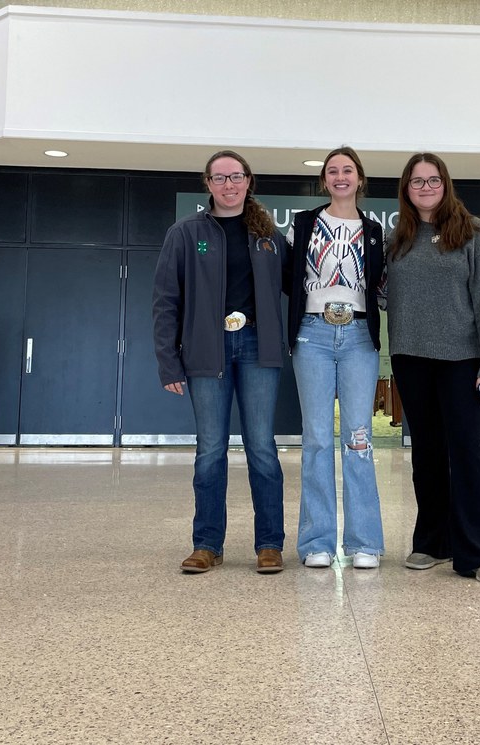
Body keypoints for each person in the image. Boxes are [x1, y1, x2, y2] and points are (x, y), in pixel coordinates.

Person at [152, 150, 288, 575]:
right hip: (206, 351)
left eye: (236, 177)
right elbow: (165, 301)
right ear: (207, 184)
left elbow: (296, 289)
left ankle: (269, 544)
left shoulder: (269, 235)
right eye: (219, 178)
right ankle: (207, 543)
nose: (229, 185)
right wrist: (168, 362)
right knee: (210, 450)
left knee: (262, 449)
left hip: (257, 348)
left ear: (249, 181)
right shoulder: (185, 232)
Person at [385, 153, 480, 583]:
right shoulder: (398, 238)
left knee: (467, 451)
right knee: (427, 453)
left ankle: (478, 553)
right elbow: (385, 294)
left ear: (445, 184)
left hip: (463, 361)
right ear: (406, 188)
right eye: (416, 181)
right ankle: (433, 542)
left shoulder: (474, 232)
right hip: (410, 358)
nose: (424, 187)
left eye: (432, 180)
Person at [286, 146, 385, 569]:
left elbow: (381, 287)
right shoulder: (304, 224)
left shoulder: (376, 229)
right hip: (313, 335)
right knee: (317, 440)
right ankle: (317, 543)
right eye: (333, 171)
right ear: (324, 180)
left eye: (348, 170)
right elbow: (289, 283)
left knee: (359, 439)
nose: (340, 177)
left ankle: (365, 542)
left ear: (359, 178)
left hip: (360, 337)